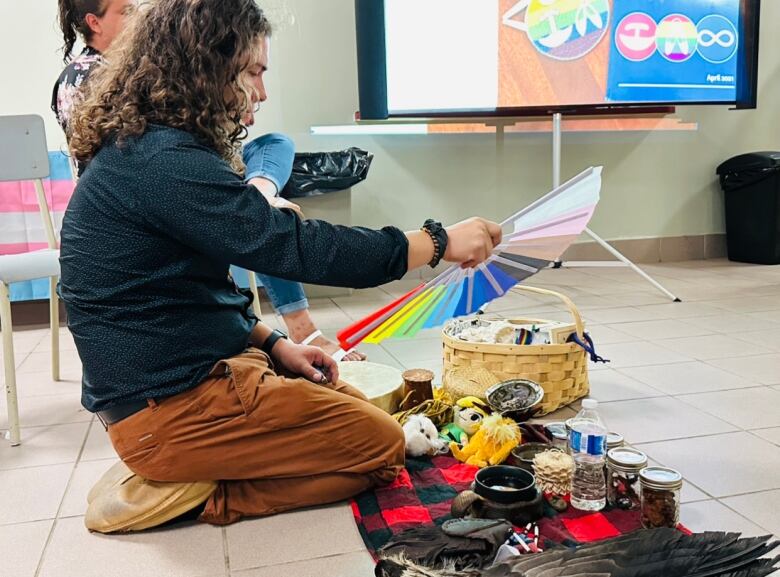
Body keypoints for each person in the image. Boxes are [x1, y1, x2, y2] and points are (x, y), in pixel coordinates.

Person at [60, 0, 502, 525]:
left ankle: (197, 461)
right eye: (253, 72)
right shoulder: (163, 162)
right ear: (204, 65)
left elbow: (187, 291)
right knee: (382, 447)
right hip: (168, 410)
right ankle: (198, 492)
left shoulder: (156, 148)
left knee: (359, 404)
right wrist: (436, 240)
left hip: (193, 378)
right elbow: (295, 246)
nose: (262, 92)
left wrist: (274, 344)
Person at [52, 0, 365, 361]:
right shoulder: (85, 77)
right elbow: (128, 163)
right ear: (94, 22)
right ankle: (300, 323)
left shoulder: (146, 71)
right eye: (125, 11)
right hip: (145, 199)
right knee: (254, 224)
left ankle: (260, 189)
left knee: (274, 148)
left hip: (184, 175)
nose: (136, 16)